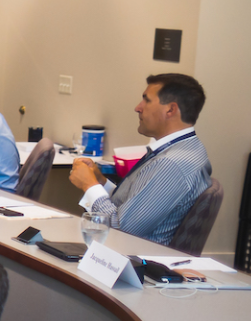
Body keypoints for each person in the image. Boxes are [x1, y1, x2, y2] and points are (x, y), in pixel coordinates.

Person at [69, 73, 212, 244]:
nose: (138, 107)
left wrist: (89, 186)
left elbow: (121, 230)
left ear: (170, 109)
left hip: (131, 260)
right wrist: (101, 182)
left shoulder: (171, 164)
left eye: (147, 100)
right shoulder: (186, 148)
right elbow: (135, 204)